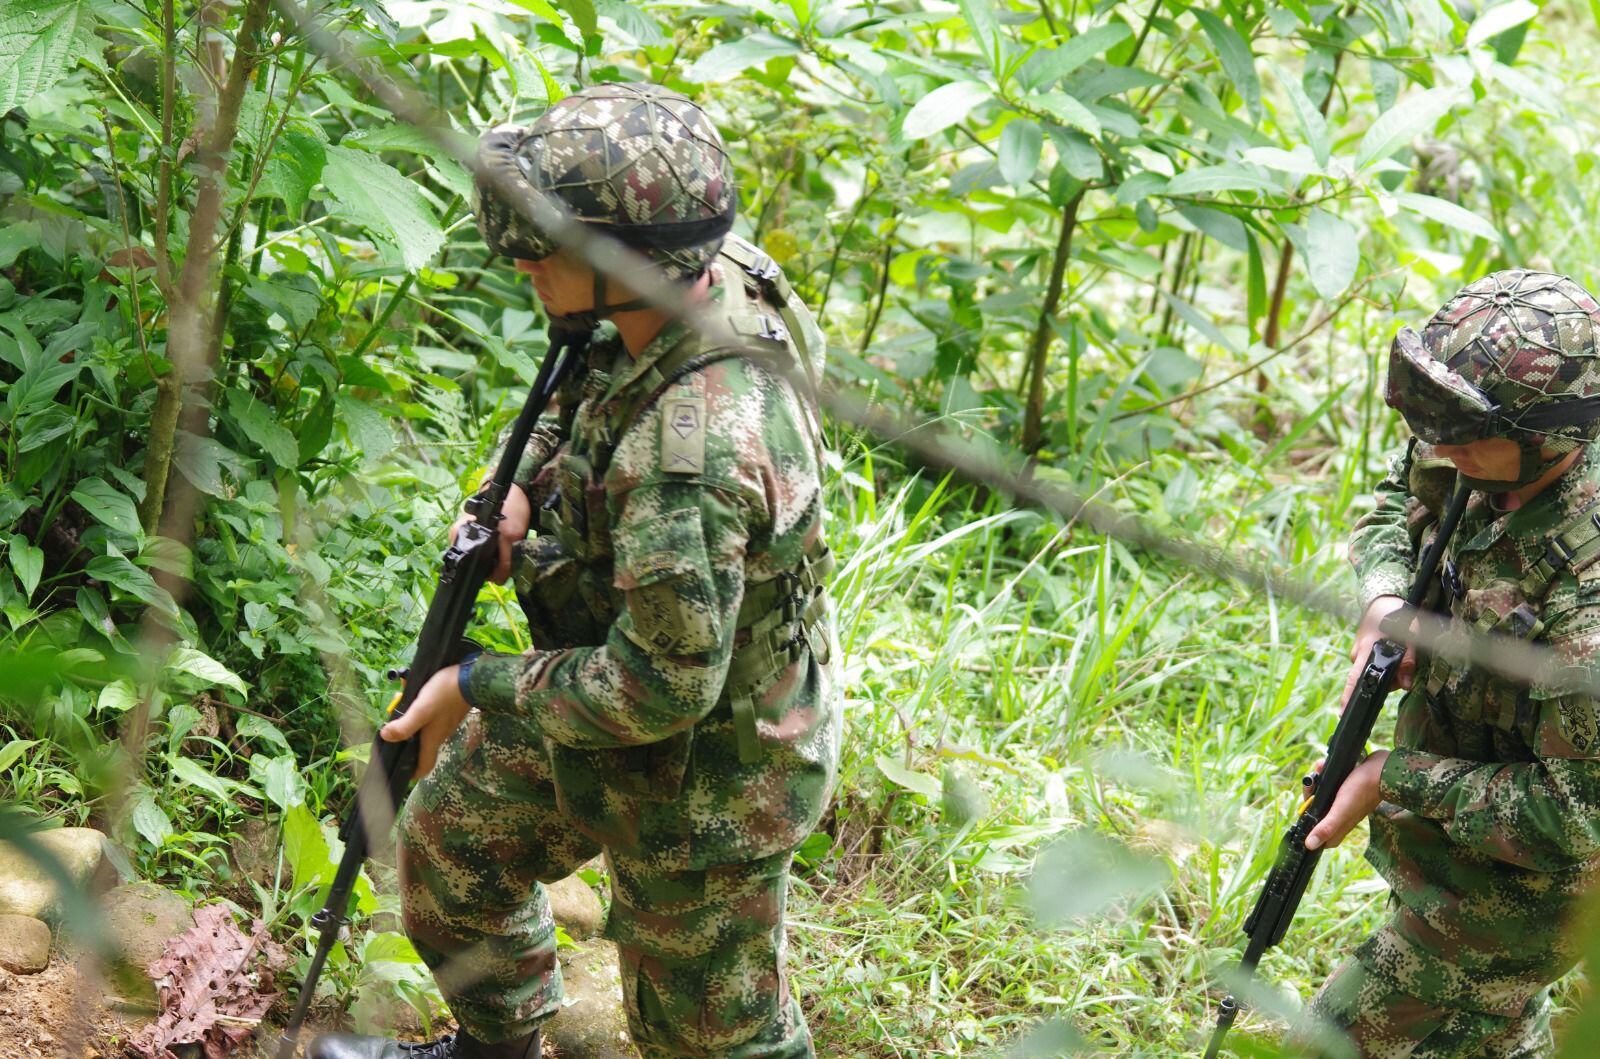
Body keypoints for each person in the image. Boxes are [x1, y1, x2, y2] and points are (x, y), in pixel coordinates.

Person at [309, 82, 839, 1059]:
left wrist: (472, 683)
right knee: (448, 855)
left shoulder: (690, 464)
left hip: (709, 774)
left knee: (712, 1037)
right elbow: (591, 370)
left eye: (544, 251)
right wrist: (533, 478)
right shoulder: (704, 267)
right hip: (609, 673)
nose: (525, 266)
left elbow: (661, 686)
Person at [1288, 269, 1600, 1057]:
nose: (1439, 443)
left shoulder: (1590, 581)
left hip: (1544, 889)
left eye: (1459, 434)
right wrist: (1388, 599)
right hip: (1462, 842)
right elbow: (1399, 499)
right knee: (1482, 1028)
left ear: (1550, 437)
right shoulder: (1478, 431)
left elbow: (1576, 815)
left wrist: (1393, 775)